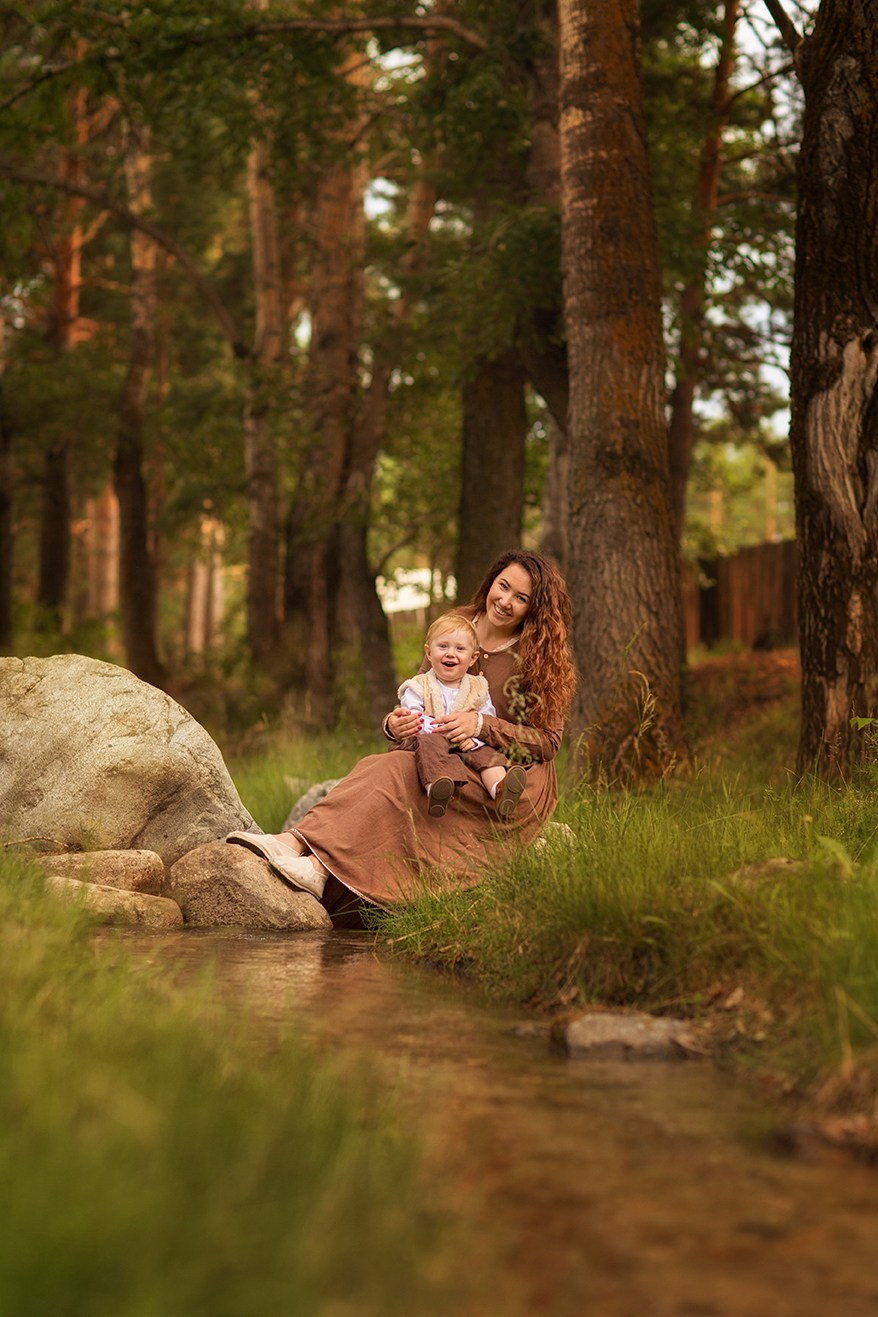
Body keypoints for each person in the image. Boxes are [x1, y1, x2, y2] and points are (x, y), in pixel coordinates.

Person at [227, 549, 577, 927]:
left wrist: (480, 725)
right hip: (444, 754)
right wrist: (395, 725)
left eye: (520, 598)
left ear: (533, 608)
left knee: (393, 771)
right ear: (491, 581)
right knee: (385, 764)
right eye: (503, 586)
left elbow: (548, 743)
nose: (505, 601)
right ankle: (303, 852)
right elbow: (421, 693)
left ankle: (308, 855)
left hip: (507, 777)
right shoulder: (457, 624)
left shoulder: (537, 655)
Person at [393, 610, 528, 819]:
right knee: (431, 747)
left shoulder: (477, 687)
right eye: (443, 646)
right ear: (429, 653)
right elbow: (412, 717)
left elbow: (486, 717)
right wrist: (441, 729)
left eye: (460, 648)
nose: (450, 653)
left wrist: (473, 738)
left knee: (488, 754)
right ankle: (437, 787)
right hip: (429, 739)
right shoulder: (419, 685)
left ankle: (501, 790)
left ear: (473, 658)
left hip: (466, 742)